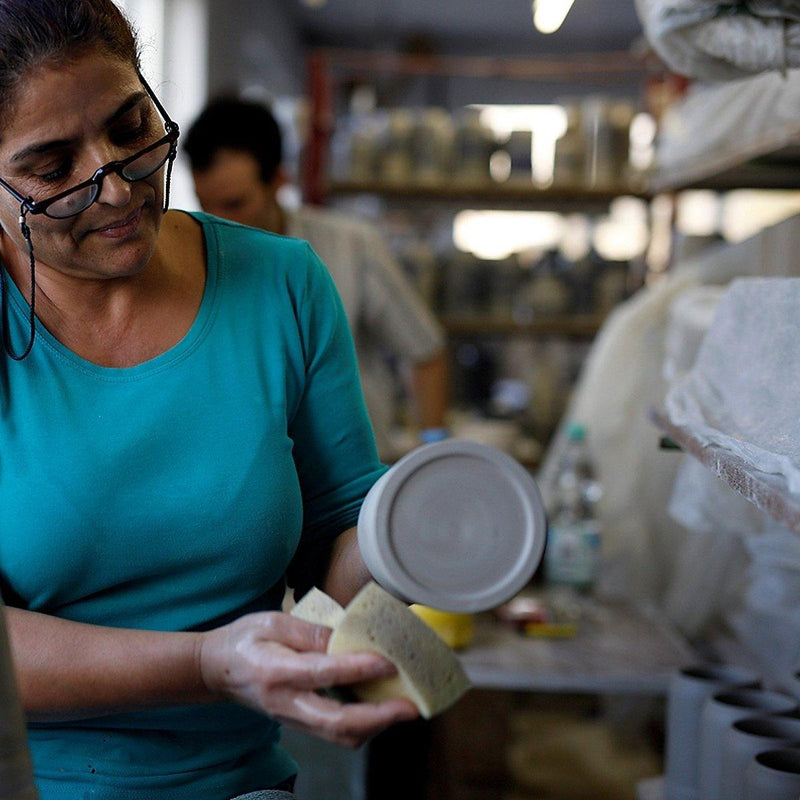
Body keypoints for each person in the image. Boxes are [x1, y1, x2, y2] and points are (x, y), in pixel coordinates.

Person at [0, 2, 419, 798]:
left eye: (131, 128)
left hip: (240, 780)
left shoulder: (283, 284)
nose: (118, 189)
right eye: (53, 171)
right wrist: (210, 664)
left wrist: (416, 528)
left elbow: (344, 528)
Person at [184, 97, 450, 461]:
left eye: (234, 204)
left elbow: (423, 349)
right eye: (204, 204)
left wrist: (434, 451)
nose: (216, 220)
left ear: (279, 180)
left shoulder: (351, 248)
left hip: (356, 483)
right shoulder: (191, 258)